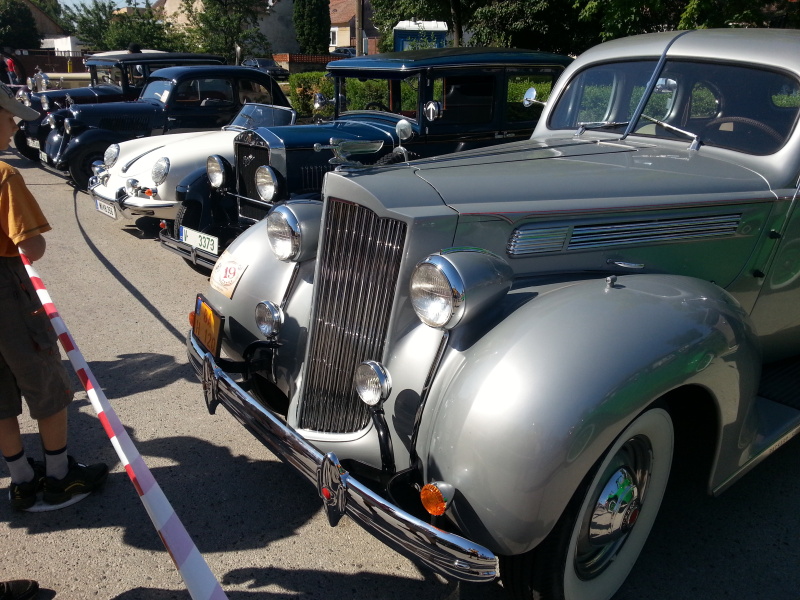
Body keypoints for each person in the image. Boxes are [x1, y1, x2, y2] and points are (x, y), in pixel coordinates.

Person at [0, 82, 109, 512]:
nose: (14, 125)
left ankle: (21, 479)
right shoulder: (5, 176)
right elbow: (31, 247)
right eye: (8, 117)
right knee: (45, 381)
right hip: (7, 293)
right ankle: (60, 476)